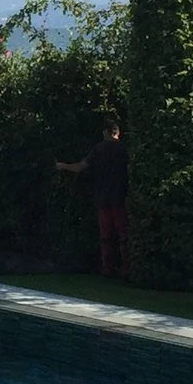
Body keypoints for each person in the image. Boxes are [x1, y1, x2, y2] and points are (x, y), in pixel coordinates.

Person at [57, 116, 130, 277]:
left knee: (106, 237)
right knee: (123, 236)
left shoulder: (99, 149)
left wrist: (64, 166)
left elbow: (81, 167)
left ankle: (108, 268)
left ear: (106, 132)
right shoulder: (124, 149)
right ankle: (126, 268)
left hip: (103, 198)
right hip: (120, 197)